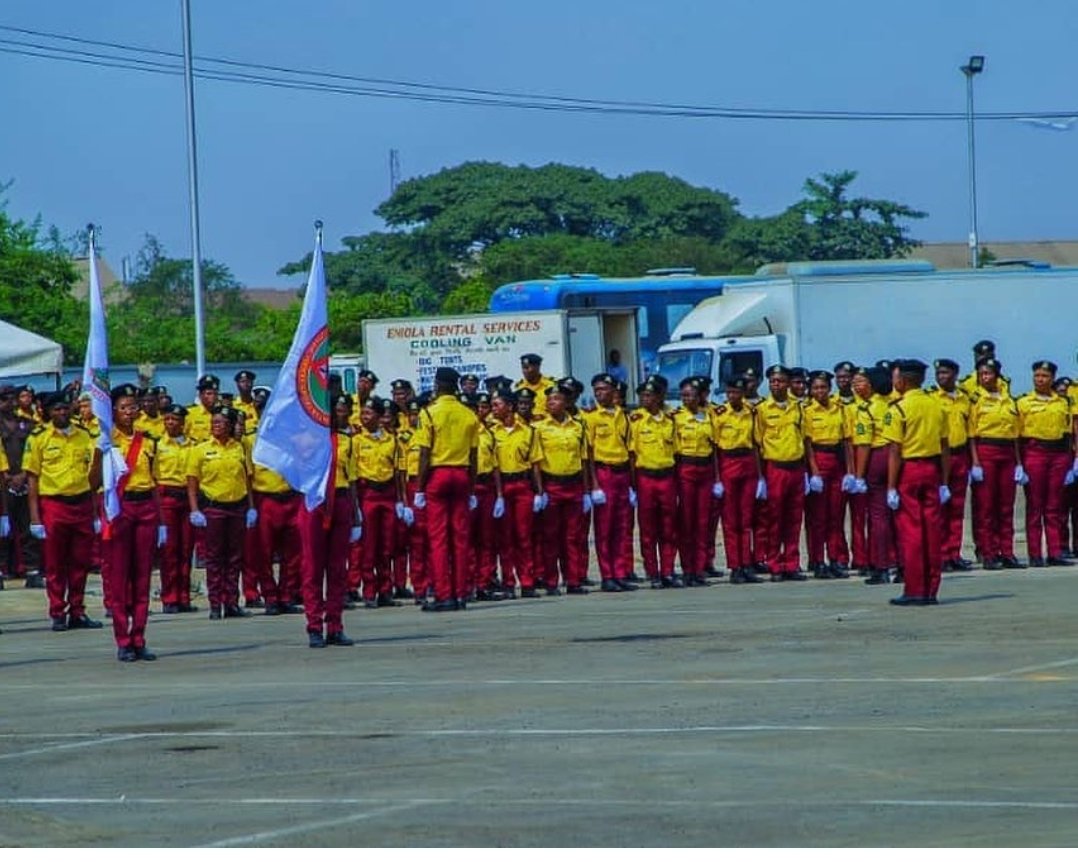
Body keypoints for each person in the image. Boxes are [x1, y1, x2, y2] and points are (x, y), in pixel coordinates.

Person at [25, 390, 103, 631]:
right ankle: (57, 611)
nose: (61, 412)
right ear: (48, 412)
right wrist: (35, 518)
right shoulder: (39, 437)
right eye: (56, 409)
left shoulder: (84, 435)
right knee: (55, 563)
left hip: (82, 503)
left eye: (65, 408)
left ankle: (77, 611)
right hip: (54, 504)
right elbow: (32, 479)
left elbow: (93, 476)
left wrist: (95, 513)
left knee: (81, 562)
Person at [104, 383, 166, 661]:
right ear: (113, 411)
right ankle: (123, 639)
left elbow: (155, 482)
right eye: (123, 407)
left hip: (146, 508)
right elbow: (95, 481)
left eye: (132, 407)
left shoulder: (148, 440)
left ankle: (139, 637)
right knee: (119, 576)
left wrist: (161, 521)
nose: (129, 412)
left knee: (142, 576)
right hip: (121, 507)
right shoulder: (107, 441)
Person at [882, 359, 950, 606]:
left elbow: (894, 451)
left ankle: (915, 589)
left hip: (909, 471)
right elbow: (945, 447)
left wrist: (891, 487)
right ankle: (931, 589)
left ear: (903, 381)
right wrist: (944, 481)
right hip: (932, 469)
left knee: (912, 532)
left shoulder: (898, 409)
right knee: (932, 531)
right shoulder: (936, 406)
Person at [414, 367, 480, 611]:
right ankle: (461, 594)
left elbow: (424, 453)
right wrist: (471, 488)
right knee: (461, 538)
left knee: (439, 538)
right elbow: (474, 456)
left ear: (438, 385)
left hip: (438, 474)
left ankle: (444, 595)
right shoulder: (469, 414)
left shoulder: (429, 413)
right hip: (461, 473)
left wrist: (419, 489)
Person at [299, 395, 361, 647]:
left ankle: (335, 625)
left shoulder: (347, 441)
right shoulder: (307, 440)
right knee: (313, 568)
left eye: (342, 411)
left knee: (337, 568)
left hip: (342, 501)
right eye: (334, 410)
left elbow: (352, 478)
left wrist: (356, 514)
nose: (338, 415)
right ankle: (314, 626)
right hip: (316, 502)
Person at [186, 405, 257, 618]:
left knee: (234, 557)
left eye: (222, 423)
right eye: (214, 422)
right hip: (213, 508)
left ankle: (232, 603)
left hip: (237, 507)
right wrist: (195, 510)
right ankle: (216, 604)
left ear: (231, 426)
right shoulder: (200, 449)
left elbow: (247, 480)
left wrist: (251, 507)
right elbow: (192, 483)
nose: (217, 426)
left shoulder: (240, 448)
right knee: (214, 558)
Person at [532, 381, 591, 595]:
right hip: (552, 485)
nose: (551, 403)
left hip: (574, 485)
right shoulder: (539, 428)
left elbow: (584, 460)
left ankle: (573, 579)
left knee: (573, 536)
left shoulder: (578, 427)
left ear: (566, 403)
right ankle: (551, 581)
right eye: (549, 399)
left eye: (556, 399)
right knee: (551, 537)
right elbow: (536, 462)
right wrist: (540, 492)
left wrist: (587, 492)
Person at [968, 357, 1024, 570]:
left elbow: (1015, 434)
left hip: (1007, 452)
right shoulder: (976, 399)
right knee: (986, 506)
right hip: (986, 450)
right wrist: (975, 462)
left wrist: (1019, 463)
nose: (985, 377)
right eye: (981, 374)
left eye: (988, 373)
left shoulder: (1008, 399)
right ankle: (989, 553)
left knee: (1006, 506)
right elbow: (972, 434)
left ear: (997, 375)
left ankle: (1007, 552)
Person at [582, 373, 636, 592]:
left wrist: (632, 485)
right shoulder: (591, 418)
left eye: (603, 389)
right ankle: (607, 575)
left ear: (614, 391)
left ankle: (620, 573)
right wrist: (594, 485)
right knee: (604, 528)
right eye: (596, 390)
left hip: (622, 473)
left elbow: (630, 450)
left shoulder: (624, 416)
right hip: (604, 472)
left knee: (622, 527)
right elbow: (588, 453)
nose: (599, 394)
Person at [1017, 361, 1073, 567]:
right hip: (1035, 452)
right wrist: (1019, 464)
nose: (1040, 379)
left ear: (1052, 378)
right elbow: (1017, 435)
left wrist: (1069, 462)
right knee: (1035, 505)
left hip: (1058, 455)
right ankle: (1035, 554)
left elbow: (1068, 433)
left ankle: (1055, 552)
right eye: (1037, 376)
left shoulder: (1062, 402)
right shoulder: (1024, 402)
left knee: (1054, 506)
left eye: (1045, 376)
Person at [754, 365, 807, 581]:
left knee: (794, 519)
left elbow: (804, 438)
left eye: (781, 381)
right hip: (775, 468)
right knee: (774, 518)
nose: (776, 385)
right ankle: (774, 563)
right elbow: (757, 444)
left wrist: (807, 472)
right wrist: (761, 477)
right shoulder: (762, 409)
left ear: (788, 383)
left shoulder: (798, 407)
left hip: (796, 467)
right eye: (773, 381)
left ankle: (792, 563)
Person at [490, 389, 543, 598]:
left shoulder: (529, 432)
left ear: (509, 407)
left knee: (524, 536)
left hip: (522, 485)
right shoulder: (492, 432)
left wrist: (539, 492)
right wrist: (498, 495)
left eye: (497, 405)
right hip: (502, 486)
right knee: (505, 537)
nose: (494, 409)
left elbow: (535, 463)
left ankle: (527, 582)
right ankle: (508, 582)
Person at [629, 378, 681, 588]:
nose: (645, 399)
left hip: (666, 476)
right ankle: (652, 573)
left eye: (649, 395)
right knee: (648, 529)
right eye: (642, 395)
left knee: (669, 527)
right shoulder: (636, 420)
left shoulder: (670, 421)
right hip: (646, 477)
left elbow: (676, 452)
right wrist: (633, 485)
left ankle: (668, 570)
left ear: (659, 397)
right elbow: (632, 455)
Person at [713, 378, 764, 584]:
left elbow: (756, 444)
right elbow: (715, 447)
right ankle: (735, 565)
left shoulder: (751, 412)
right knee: (730, 520)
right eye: (729, 392)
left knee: (746, 518)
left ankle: (746, 564)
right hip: (728, 462)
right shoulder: (719, 414)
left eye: (736, 392)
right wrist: (717, 478)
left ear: (743, 394)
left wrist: (760, 477)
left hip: (747, 463)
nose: (732, 396)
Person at [354, 396, 403, 609]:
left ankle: (385, 591)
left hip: (388, 494)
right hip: (368, 494)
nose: (364, 417)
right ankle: (369, 591)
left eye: (369, 413)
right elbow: (354, 475)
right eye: (363, 413)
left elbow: (398, 471)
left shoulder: (392, 440)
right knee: (368, 546)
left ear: (379, 416)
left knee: (386, 546)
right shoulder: (357, 441)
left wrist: (401, 501)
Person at [851, 366, 899, 584]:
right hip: (897, 456)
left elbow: (864, 445)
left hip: (878, 458)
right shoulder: (894, 404)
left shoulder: (867, 409)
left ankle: (881, 566)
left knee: (878, 517)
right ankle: (902, 564)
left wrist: (859, 476)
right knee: (898, 515)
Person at [672, 377, 720, 586]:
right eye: (683, 395)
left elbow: (715, 447)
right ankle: (687, 568)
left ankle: (699, 569)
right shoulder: (676, 417)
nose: (686, 399)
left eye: (690, 395)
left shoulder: (709, 415)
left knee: (703, 521)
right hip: (686, 468)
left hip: (705, 469)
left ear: (699, 396)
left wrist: (717, 478)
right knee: (686, 521)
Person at [803, 370, 851, 578]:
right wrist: (814, 472)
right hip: (818, 459)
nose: (820, 391)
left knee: (836, 514)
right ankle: (817, 560)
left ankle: (835, 558)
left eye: (823, 387)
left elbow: (847, 441)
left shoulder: (839, 409)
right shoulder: (807, 411)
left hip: (837, 461)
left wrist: (850, 472)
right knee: (818, 517)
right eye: (815, 388)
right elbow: (807, 444)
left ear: (830, 389)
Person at [932, 359, 974, 571]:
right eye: (939, 373)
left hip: (960, 454)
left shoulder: (965, 398)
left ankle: (954, 554)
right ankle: (940, 554)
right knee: (940, 508)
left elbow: (970, 429)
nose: (941, 377)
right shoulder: (931, 398)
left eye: (946, 373)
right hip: (940, 457)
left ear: (955, 375)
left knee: (957, 507)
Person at [156, 404, 197, 613]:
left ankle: (184, 597)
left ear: (183, 423)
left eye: (175, 420)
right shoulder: (158, 444)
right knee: (170, 550)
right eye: (168, 419)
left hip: (187, 498)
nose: (171, 423)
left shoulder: (193, 445)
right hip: (167, 499)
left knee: (186, 549)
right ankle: (170, 597)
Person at [0, 384, 41, 586]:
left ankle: (32, 571)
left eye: (11, 398)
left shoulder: (27, 424)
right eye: (4, 399)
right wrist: (6, 476)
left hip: (24, 480)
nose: (8, 402)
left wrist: (24, 474)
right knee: (2, 529)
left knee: (27, 528)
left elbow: (33, 450)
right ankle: (2, 570)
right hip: (2, 483)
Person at [514, 354, 556, 421]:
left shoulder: (550, 386)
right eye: (523, 368)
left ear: (537, 367)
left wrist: (543, 417)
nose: (525, 371)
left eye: (527, 368)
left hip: (547, 423)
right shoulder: (520, 387)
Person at [185, 374, 220, 443]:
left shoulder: (222, 414)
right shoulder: (190, 413)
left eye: (215, 393)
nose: (212, 397)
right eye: (208, 394)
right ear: (200, 395)